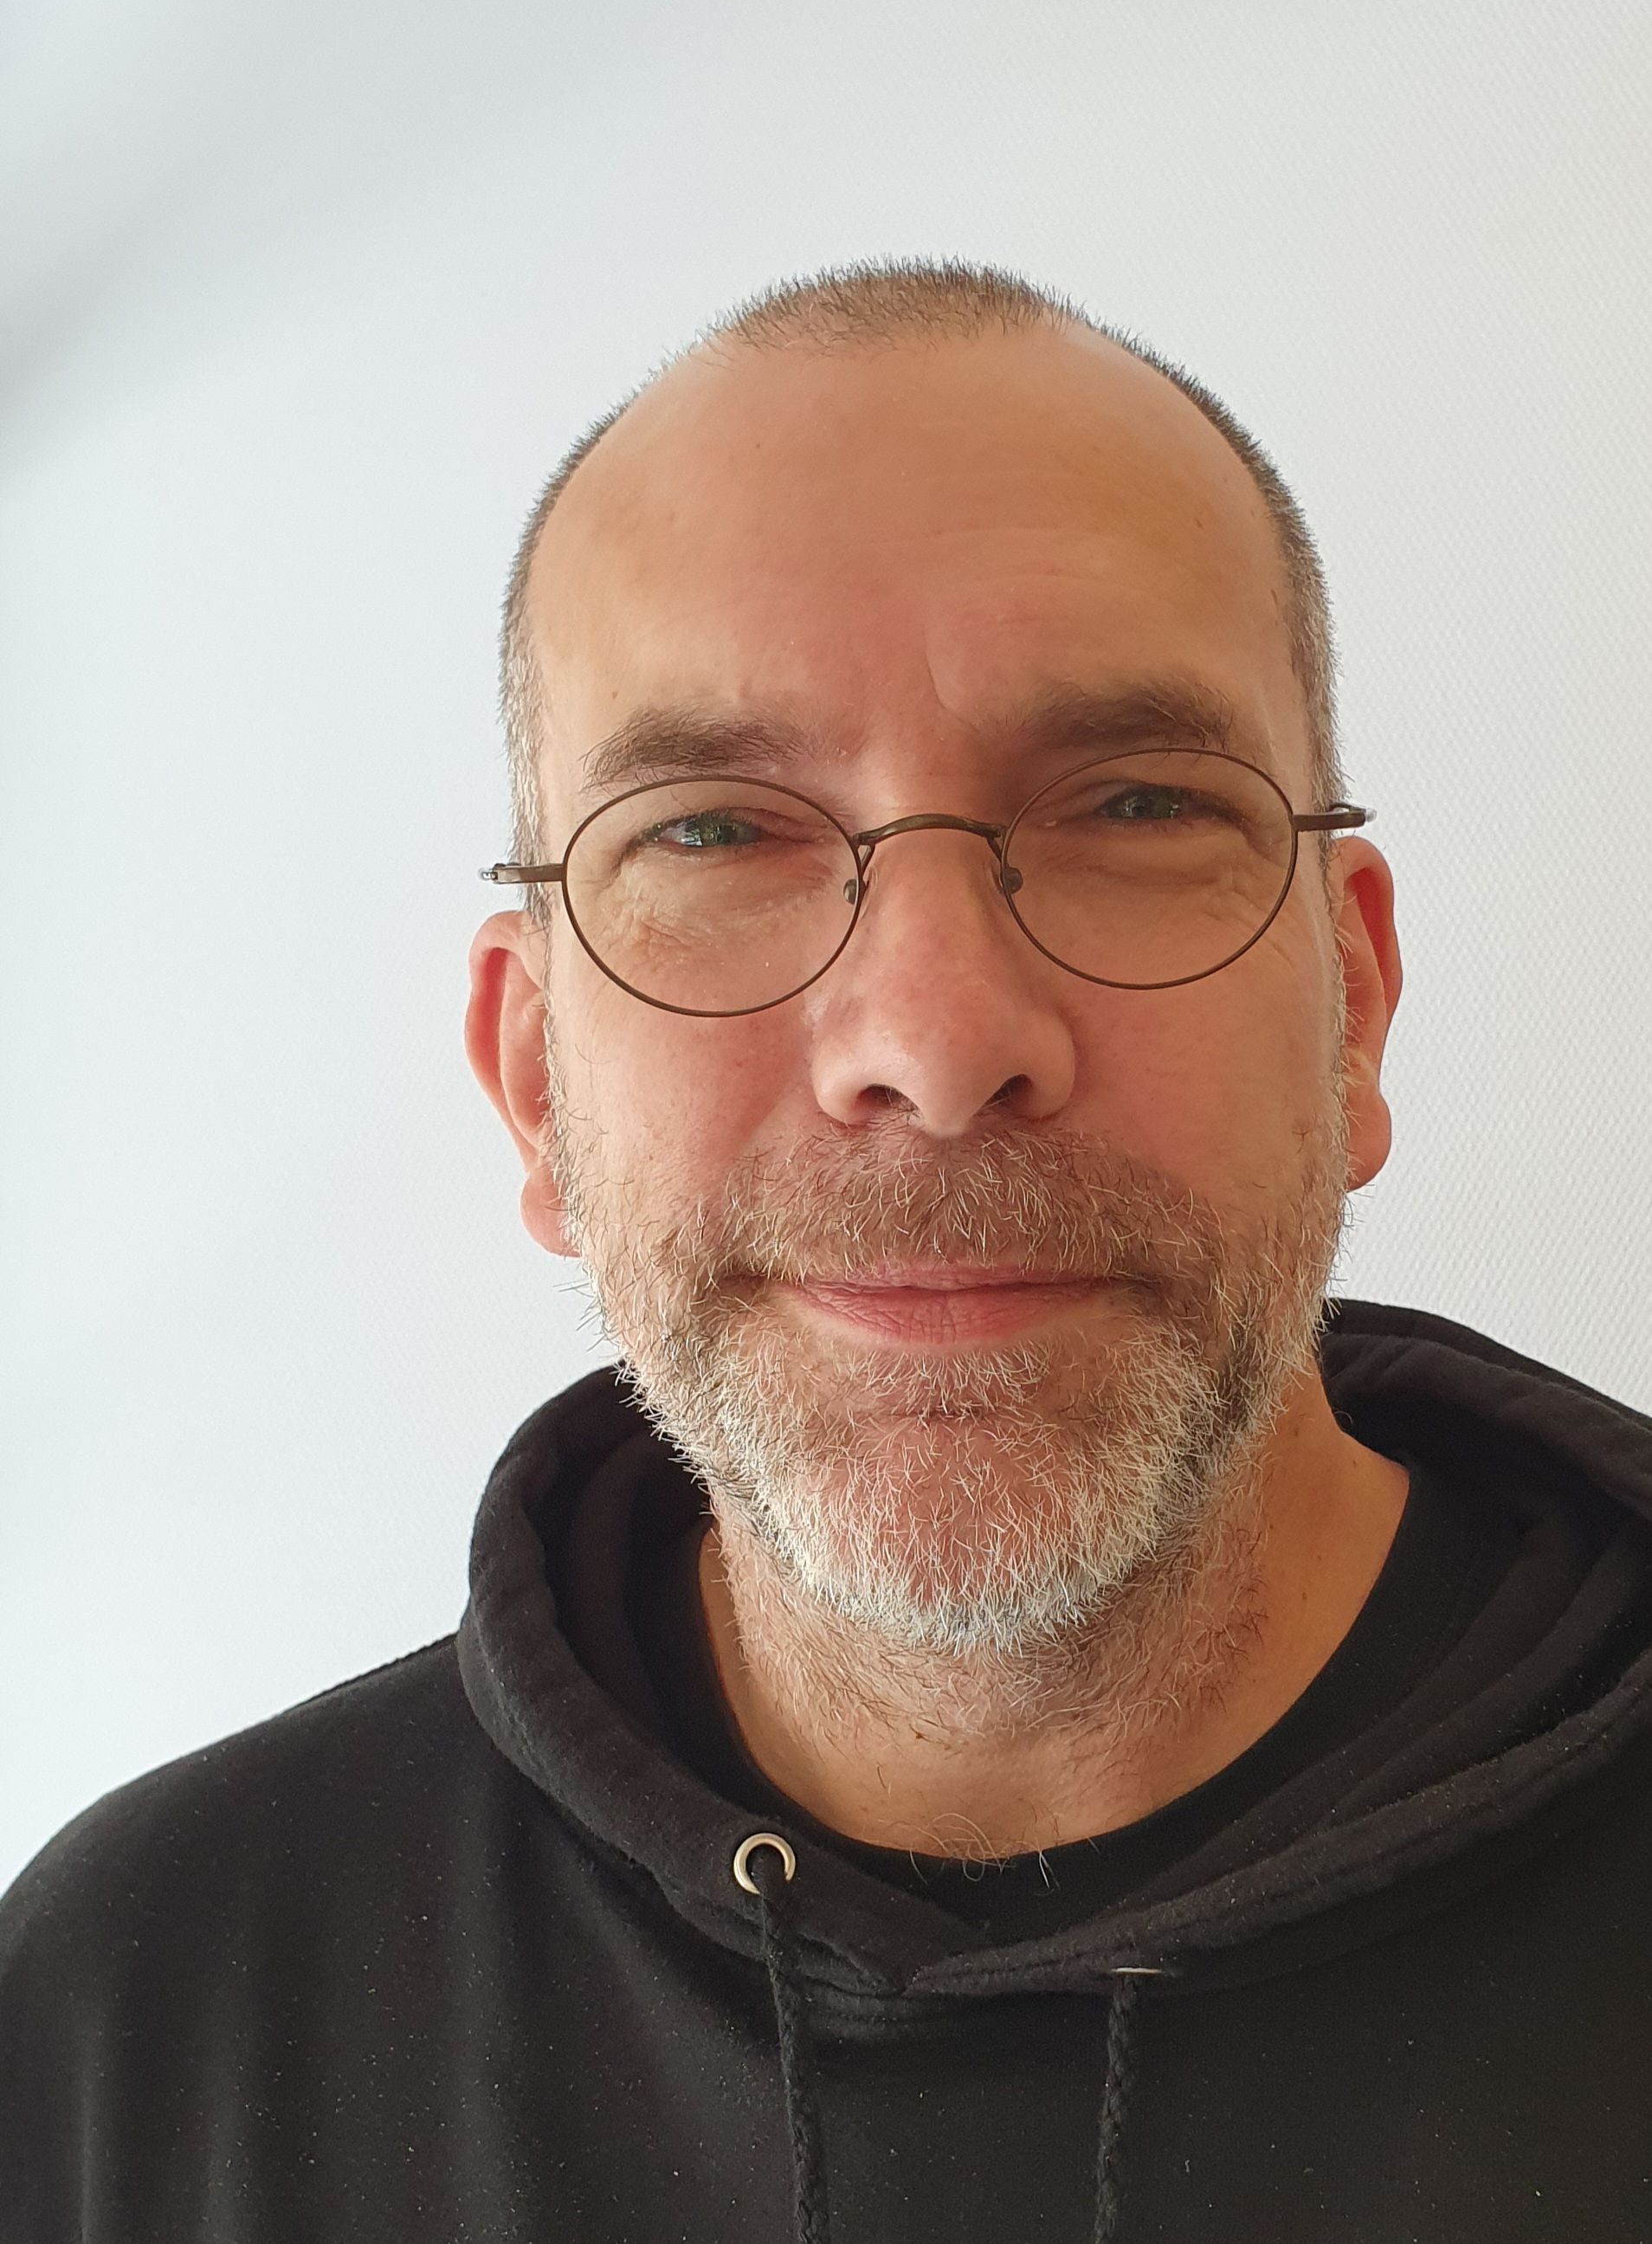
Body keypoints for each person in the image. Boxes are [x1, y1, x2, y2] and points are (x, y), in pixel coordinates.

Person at [4, 260, 1652, 2244]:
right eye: (714, 833)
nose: (937, 1045)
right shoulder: (130, 2023)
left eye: (1136, 802)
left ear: (1355, 1007)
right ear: (532, 1076)